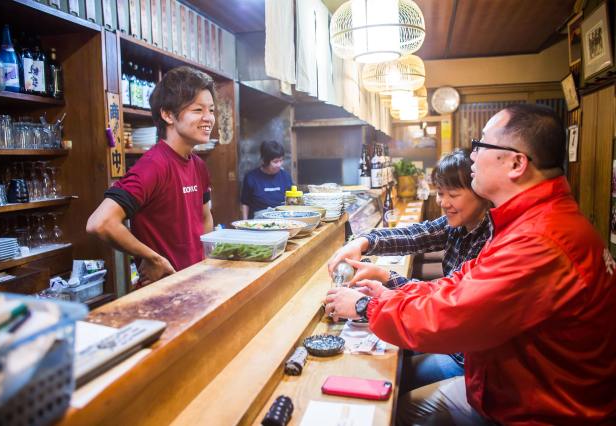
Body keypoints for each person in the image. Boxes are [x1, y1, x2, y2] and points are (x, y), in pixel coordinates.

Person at [325, 104, 616, 425]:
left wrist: (367, 307)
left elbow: (451, 318)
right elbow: (459, 287)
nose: (473, 155)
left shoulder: (539, 238)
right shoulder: (532, 219)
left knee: (393, 411)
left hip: (544, 405)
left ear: (517, 163)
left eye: (482, 145)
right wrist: (385, 293)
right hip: (514, 377)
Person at [327, 149, 491, 391]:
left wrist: (370, 299)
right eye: (440, 193)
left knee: (391, 378)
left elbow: (445, 310)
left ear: (481, 191)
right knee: (390, 357)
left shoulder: (488, 241)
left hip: (465, 356)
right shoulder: (460, 224)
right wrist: (363, 242)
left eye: (453, 194)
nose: (444, 203)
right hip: (446, 332)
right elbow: (416, 235)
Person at [87, 66, 214, 286]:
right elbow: (100, 222)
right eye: (197, 110)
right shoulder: (154, 165)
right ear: (167, 114)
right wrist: (152, 258)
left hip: (194, 283)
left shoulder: (199, 166)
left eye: (211, 110)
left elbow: (204, 218)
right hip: (163, 292)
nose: (209, 118)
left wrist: (206, 263)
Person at [240, 140, 293, 219]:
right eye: (275, 162)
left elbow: (292, 201)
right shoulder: (251, 177)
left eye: (281, 160)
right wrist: (244, 222)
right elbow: (245, 203)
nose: (279, 165)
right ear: (265, 161)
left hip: (282, 218)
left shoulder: (285, 176)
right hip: (259, 220)